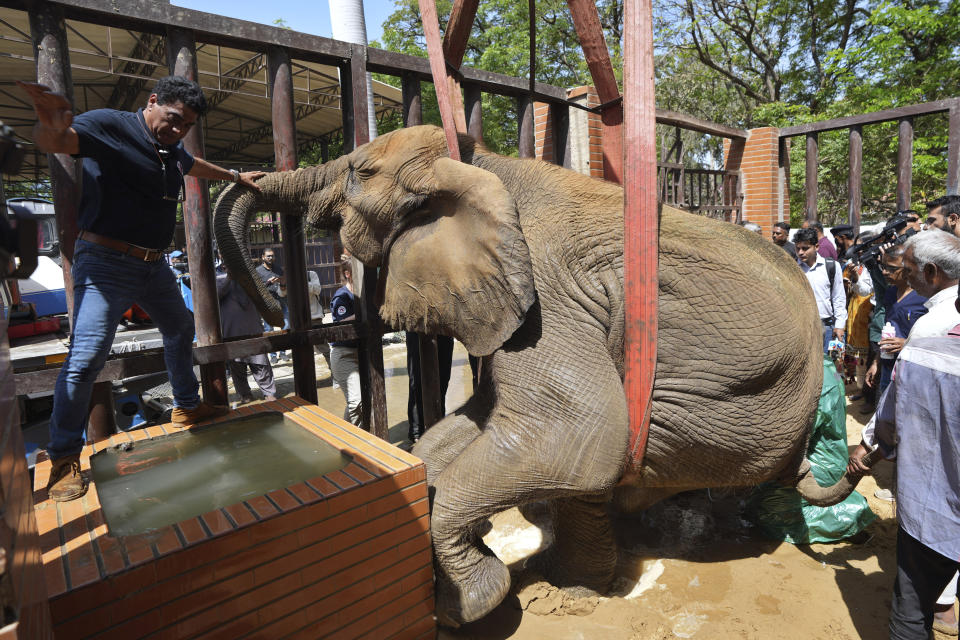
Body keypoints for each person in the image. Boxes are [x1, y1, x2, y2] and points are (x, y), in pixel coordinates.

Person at [19, 76, 265, 502]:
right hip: (106, 262)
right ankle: (62, 458)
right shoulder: (110, 126)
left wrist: (235, 175)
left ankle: (186, 405)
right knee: (86, 357)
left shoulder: (170, 149)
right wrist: (50, 125)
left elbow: (192, 165)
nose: (177, 129)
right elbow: (56, 141)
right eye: (173, 119)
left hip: (153, 266)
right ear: (152, 102)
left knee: (179, 326)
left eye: (186, 125)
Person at [847, 330, 960, 639]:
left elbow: (888, 426)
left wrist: (868, 451)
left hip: (932, 517)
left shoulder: (920, 353)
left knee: (911, 614)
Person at [864, 246, 927, 396]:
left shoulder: (924, 297)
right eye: (883, 266)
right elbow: (887, 334)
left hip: (913, 371)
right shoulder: (891, 293)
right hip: (888, 367)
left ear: (908, 269)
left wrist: (906, 343)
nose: (885, 272)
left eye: (892, 268)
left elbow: (936, 339)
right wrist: (876, 363)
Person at [216, 271, 277, 405]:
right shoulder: (217, 277)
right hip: (231, 331)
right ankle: (244, 394)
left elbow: (260, 294)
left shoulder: (249, 276)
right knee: (237, 366)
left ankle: (269, 393)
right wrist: (228, 279)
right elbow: (215, 296)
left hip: (253, 328)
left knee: (260, 363)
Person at [795, 227, 846, 352]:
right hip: (802, 328)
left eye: (805, 248)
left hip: (828, 328)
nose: (800, 252)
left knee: (829, 366)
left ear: (816, 247)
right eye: (798, 248)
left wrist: (839, 326)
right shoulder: (793, 269)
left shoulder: (832, 266)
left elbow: (838, 297)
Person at [329, 259, 363, 426]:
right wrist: (363, 314)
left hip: (363, 352)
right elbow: (340, 324)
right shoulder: (342, 296)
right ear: (348, 274)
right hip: (344, 354)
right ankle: (353, 439)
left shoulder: (364, 293)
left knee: (359, 401)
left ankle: (347, 433)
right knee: (356, 400)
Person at [406, 332, 454, 443]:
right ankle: (416, 430)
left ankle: (438, 424)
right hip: (417, 328)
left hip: (443, 329)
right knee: (417, 380)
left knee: (443, 379)